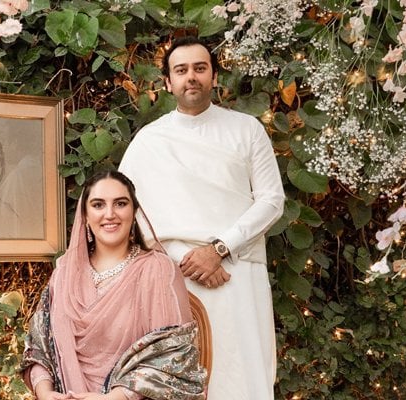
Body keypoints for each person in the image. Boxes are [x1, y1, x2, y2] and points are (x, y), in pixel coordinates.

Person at [119, 36, 285, 399]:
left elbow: (272, 201)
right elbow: (130, 213)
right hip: (176, 276)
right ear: (167, 82)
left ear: (213, 77)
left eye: (199, 68)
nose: (190, 77)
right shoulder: (148, 141)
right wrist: (182, 258)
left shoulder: (247, 130)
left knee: (245, 375)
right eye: (181, 70)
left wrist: (220, 248)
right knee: (185, 380)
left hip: (238, 270)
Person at [21, 170, 206, 400]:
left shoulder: (158, 270)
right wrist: (46, 392)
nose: (110, 214)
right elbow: (39, 349)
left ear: (134, 211)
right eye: (98, 205)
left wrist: (115, 397)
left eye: (120, 203)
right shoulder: (64, 274)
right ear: (85, 216)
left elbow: (174, 356)